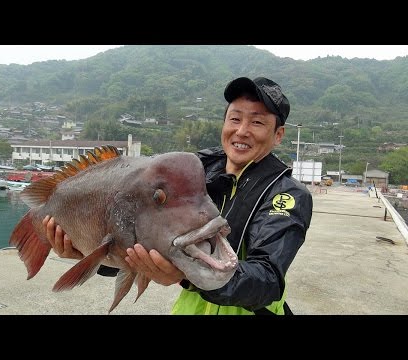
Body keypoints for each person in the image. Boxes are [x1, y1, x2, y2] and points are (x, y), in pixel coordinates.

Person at [43, 76, 313, 315]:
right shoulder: (195, 174)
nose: (242, 130)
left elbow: (268, 279)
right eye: (235, 118)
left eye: (256, 122)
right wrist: (88, 252)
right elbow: (138, 240)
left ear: (278, 135)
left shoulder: (286, 194)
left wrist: (185, 276)